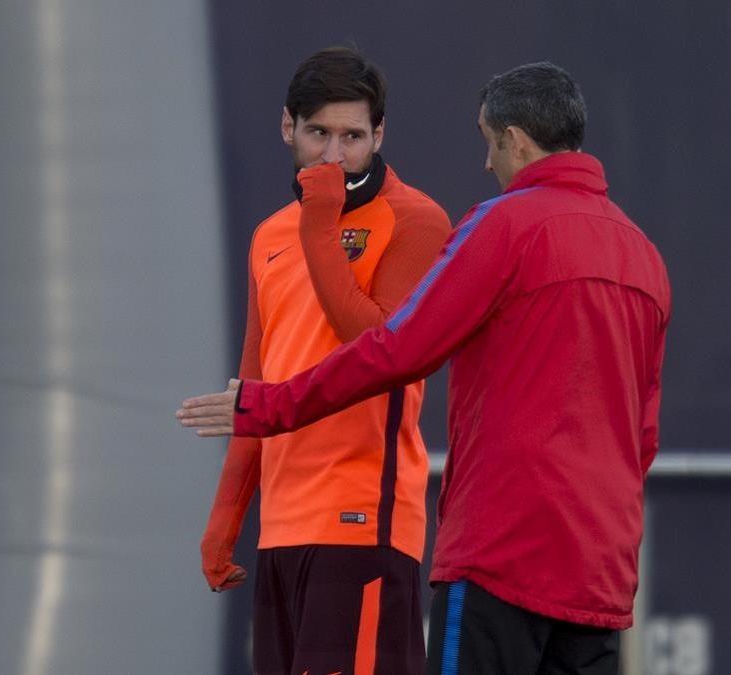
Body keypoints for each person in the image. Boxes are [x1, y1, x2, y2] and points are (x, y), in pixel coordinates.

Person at [179, 61, 670, 675]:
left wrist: (269, 405)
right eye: (318, 132)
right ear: (289, 127)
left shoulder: (502, 225)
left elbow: (394, 349)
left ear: (514, 140)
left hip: (498, 552)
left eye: (490, 144)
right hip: (599, 567)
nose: (488, 164)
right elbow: (644, 435)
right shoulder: (645, 257)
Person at [198, 46, 451, 675]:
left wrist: (320, 218)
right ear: (288, 127)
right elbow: (255, 386)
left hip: (364, 521)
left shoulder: (416, 220)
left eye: (352, 137)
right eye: (318, 134)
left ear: (380, 135)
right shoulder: (269, 234)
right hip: (281, 530)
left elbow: (378, 351)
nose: (334, 157)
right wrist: (225, 520)